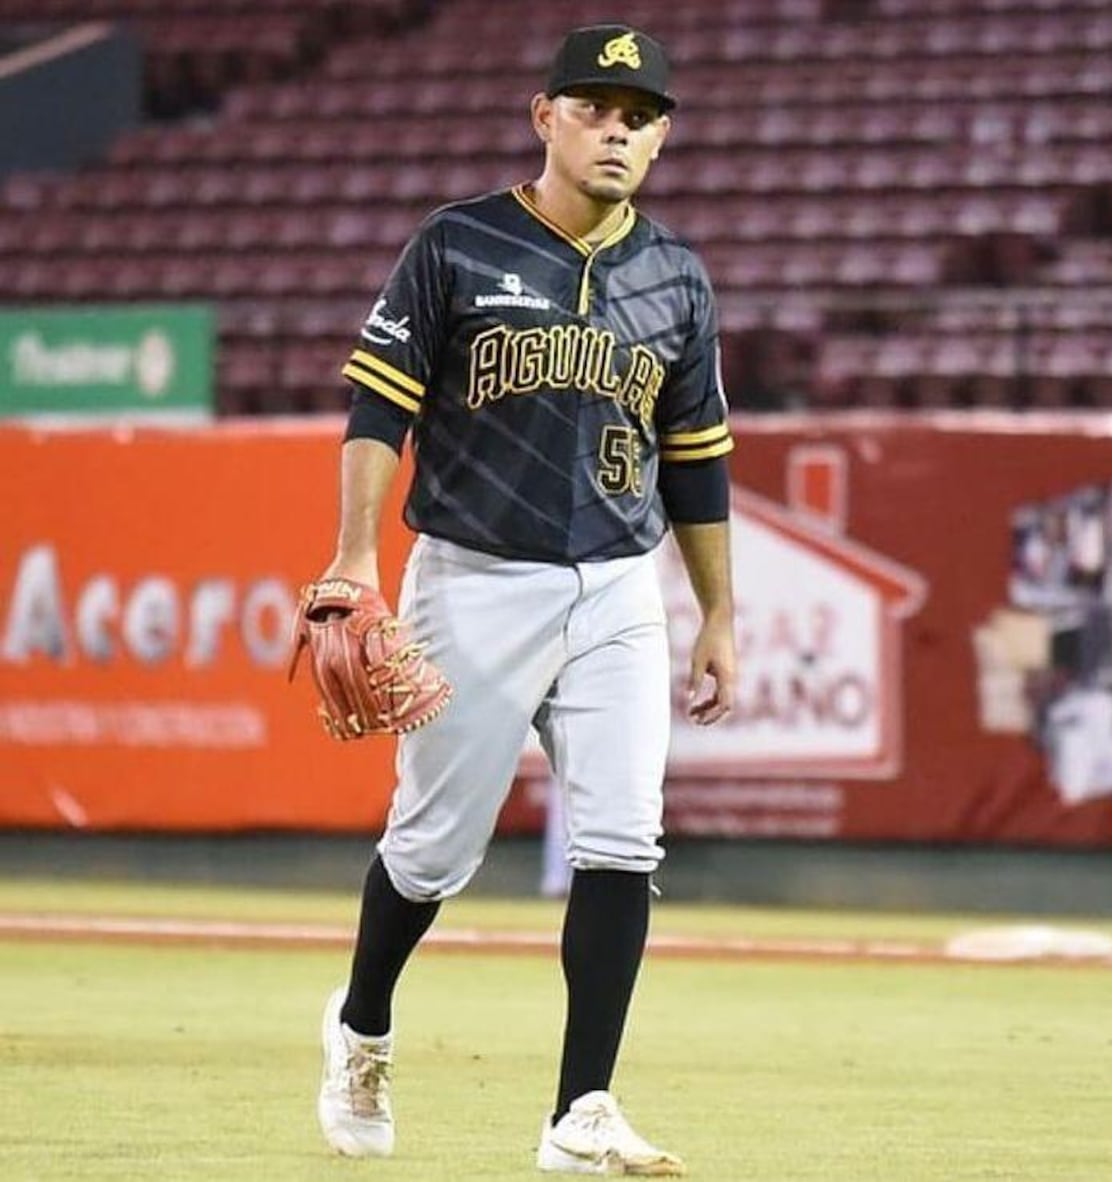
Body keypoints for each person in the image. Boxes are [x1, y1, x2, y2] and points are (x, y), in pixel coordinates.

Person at [313, 24, 737, 1175]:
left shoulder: (675, 277)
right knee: (434, 849)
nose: (619, 128)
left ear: (661, 139)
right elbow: (376, 410)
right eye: (597, 105)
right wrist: (355, 556)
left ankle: (580, 1111)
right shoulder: (458, 244)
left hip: (616, 585)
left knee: (621, 838)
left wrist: (720, 615)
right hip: (475, 574)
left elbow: (696, 458)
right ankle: (360, 1028)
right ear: (543, 114)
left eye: (640, 113)